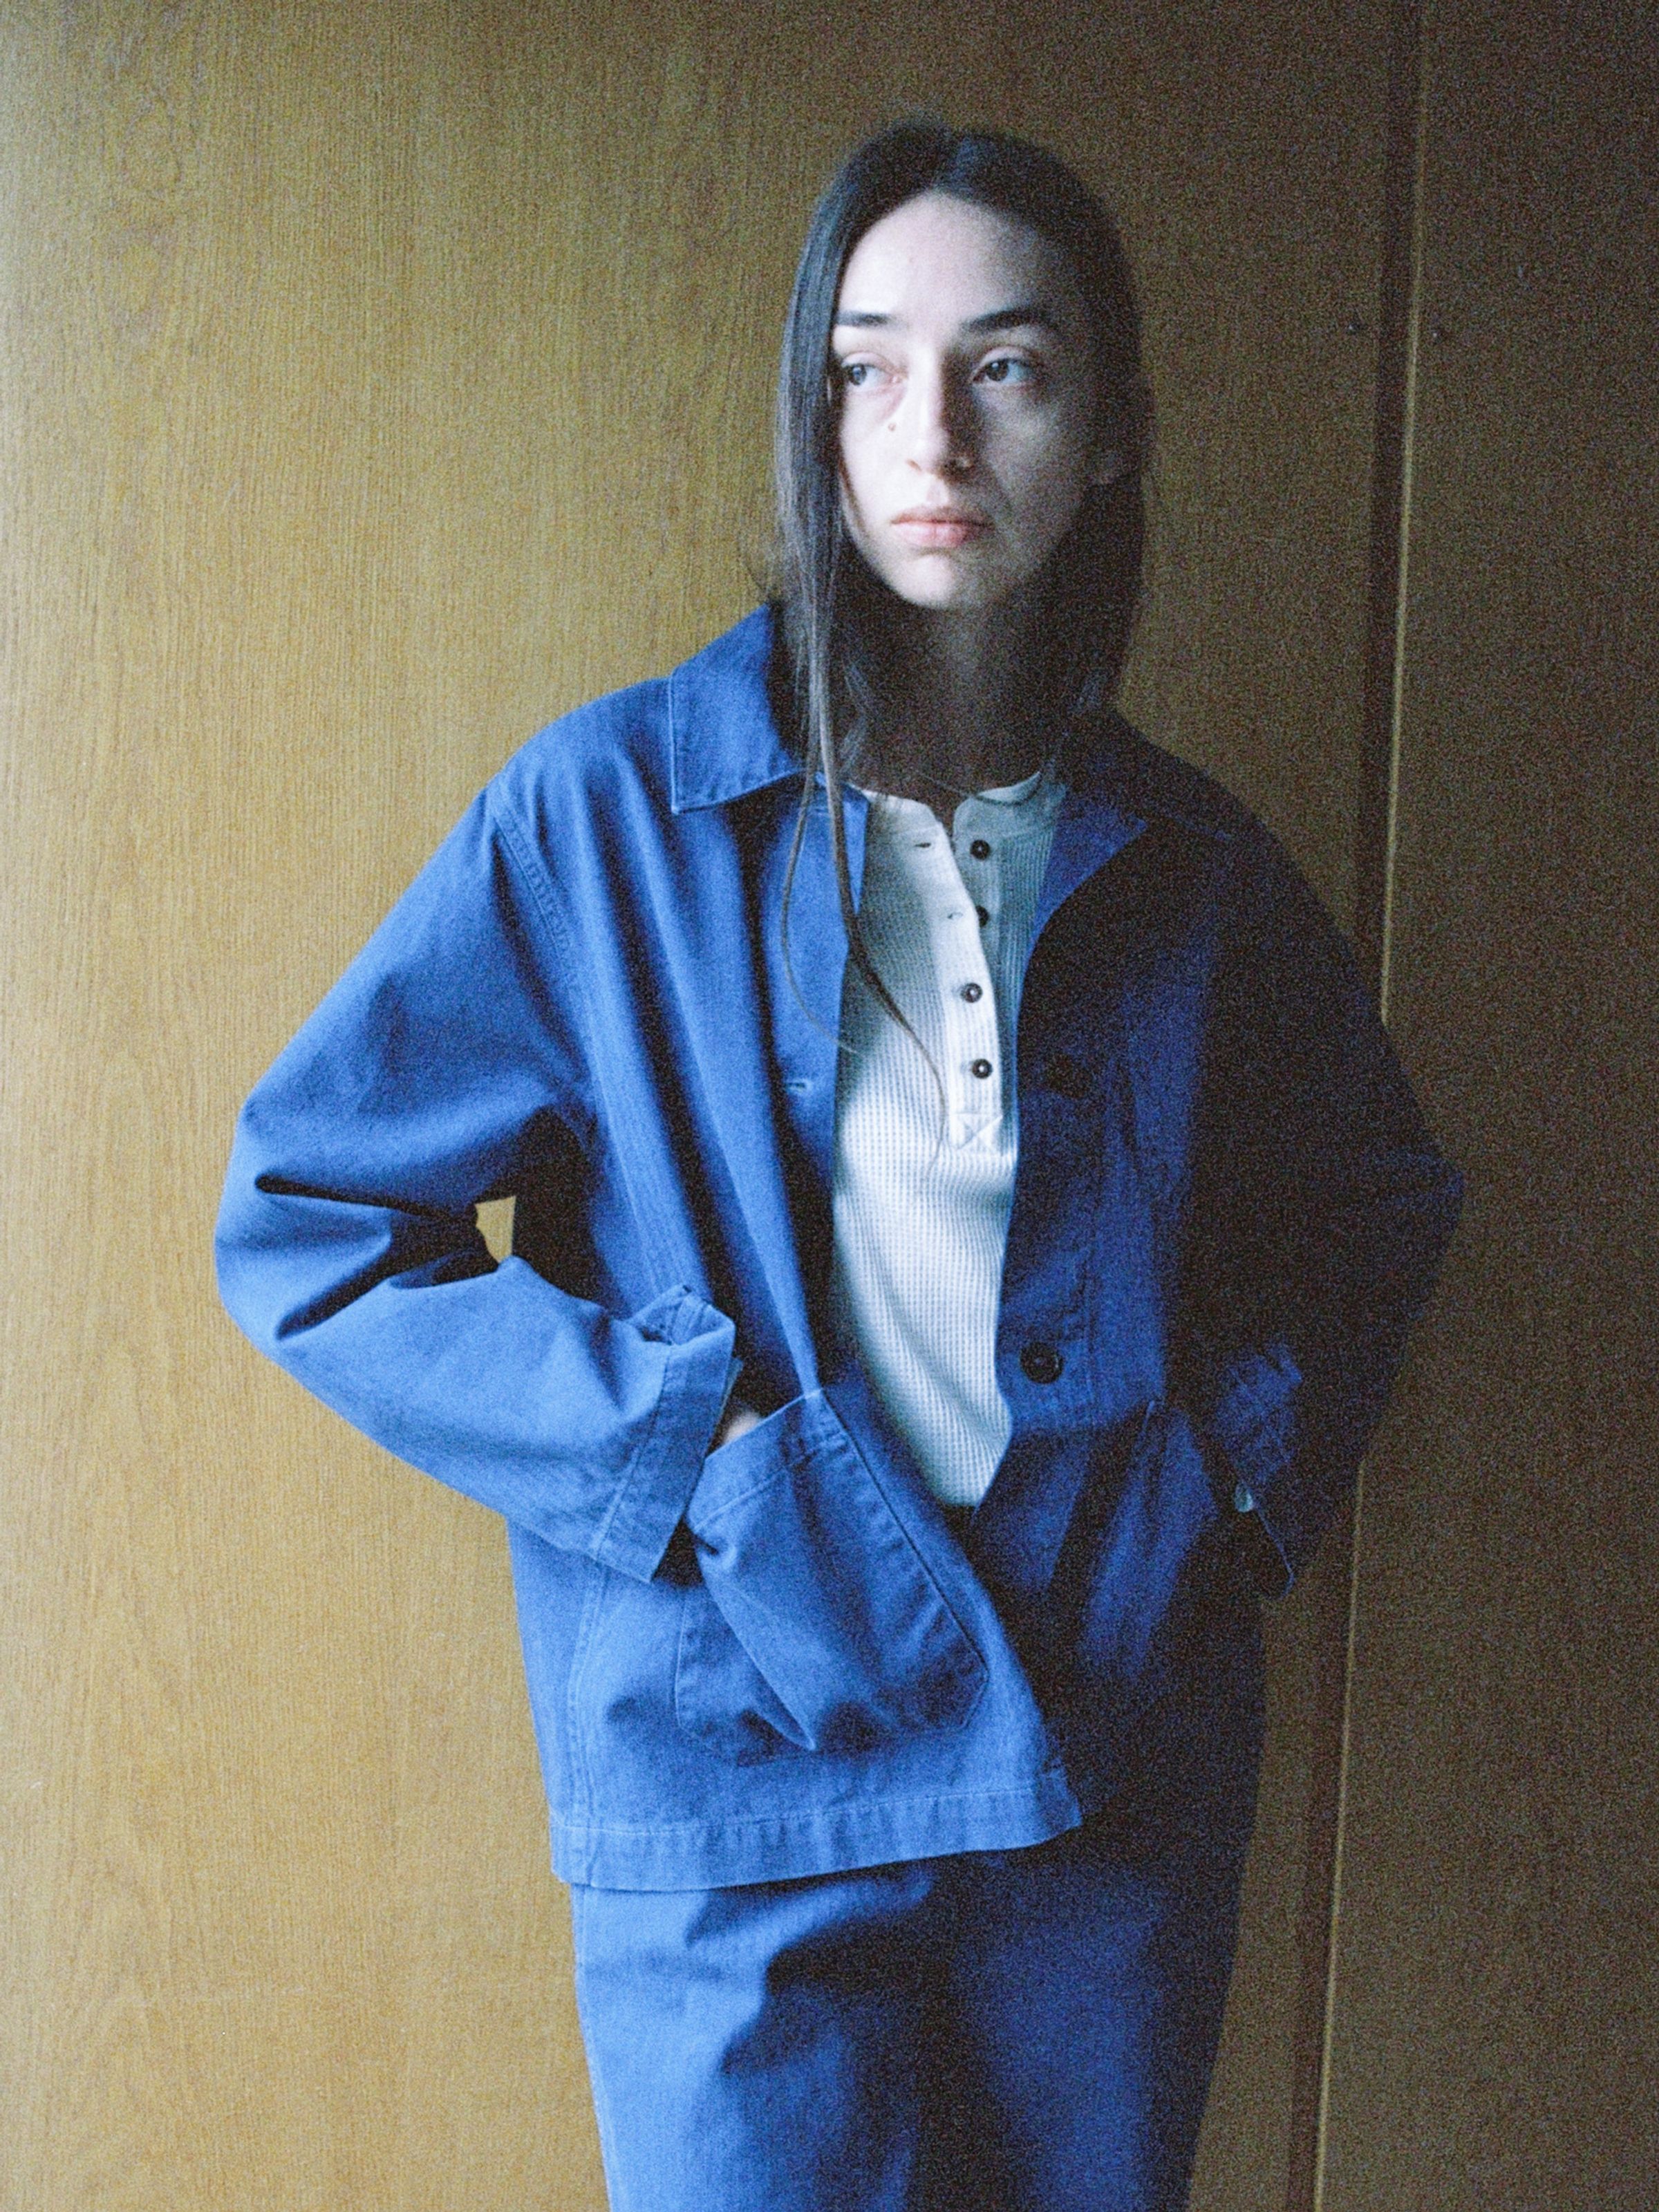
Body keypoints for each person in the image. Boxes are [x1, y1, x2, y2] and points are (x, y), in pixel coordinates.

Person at [216, 121, 1461, 2212]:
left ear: (1113, 431)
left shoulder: (1200, 875)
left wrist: (1229, 1479)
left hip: (1103, 1781)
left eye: (1010, 367)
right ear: (808, 412)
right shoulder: (606, 820)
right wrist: (685, 1463)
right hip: (738, 1778)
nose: (932, 434)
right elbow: (316, 1222)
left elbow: (1374, 1211)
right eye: (866, 366)